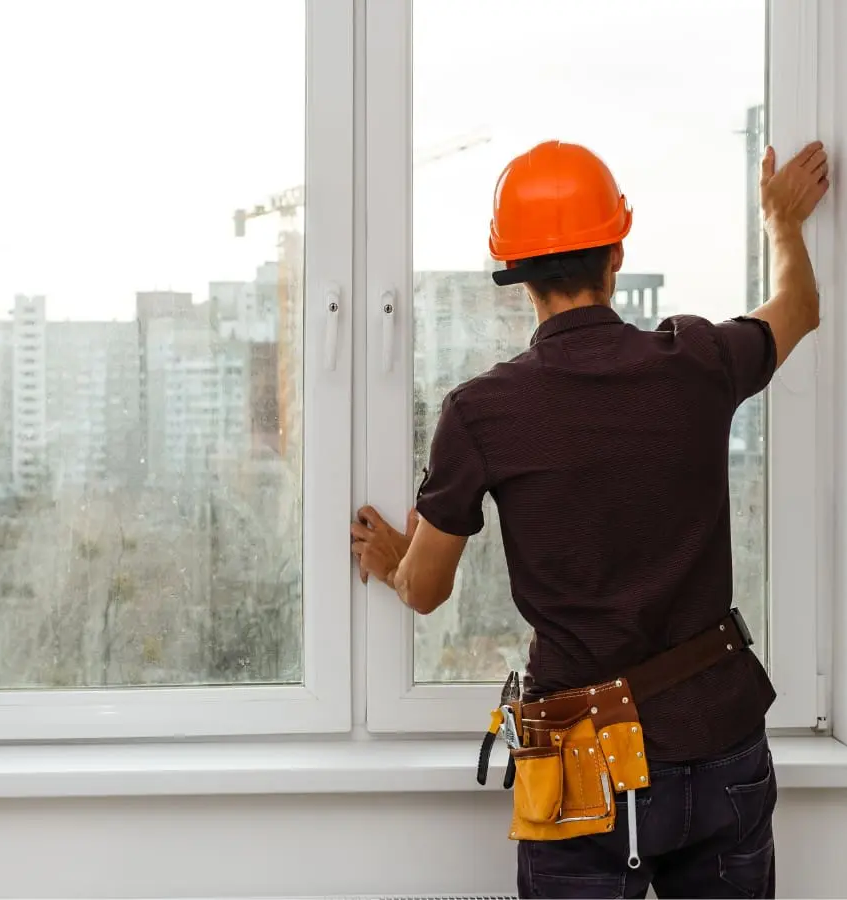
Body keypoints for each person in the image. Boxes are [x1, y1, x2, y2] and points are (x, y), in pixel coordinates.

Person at [350, 138, 828, 899]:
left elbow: (426, 591)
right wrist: (780, 221)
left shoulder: (481, 413)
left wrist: (397, 559)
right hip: (718, 733)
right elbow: (800, 308)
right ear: (616, 254)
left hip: (580, 758)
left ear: (516, 277)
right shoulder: (697, 358)